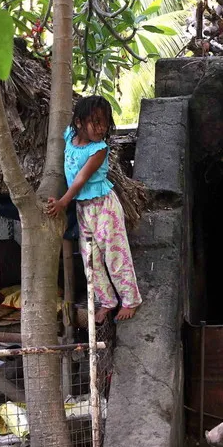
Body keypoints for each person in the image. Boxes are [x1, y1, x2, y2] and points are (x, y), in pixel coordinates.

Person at [44, 96, 142, 323]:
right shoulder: (69, 137)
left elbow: (80, 179)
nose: (101, 127)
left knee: (115, 254)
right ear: (79, 122)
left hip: (104, 207)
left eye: (104, 122)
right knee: (90, 260)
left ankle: (130, 300)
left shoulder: (99, 149)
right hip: (84, 209)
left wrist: (62, 202)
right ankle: (107, 301)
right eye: (95, 122)